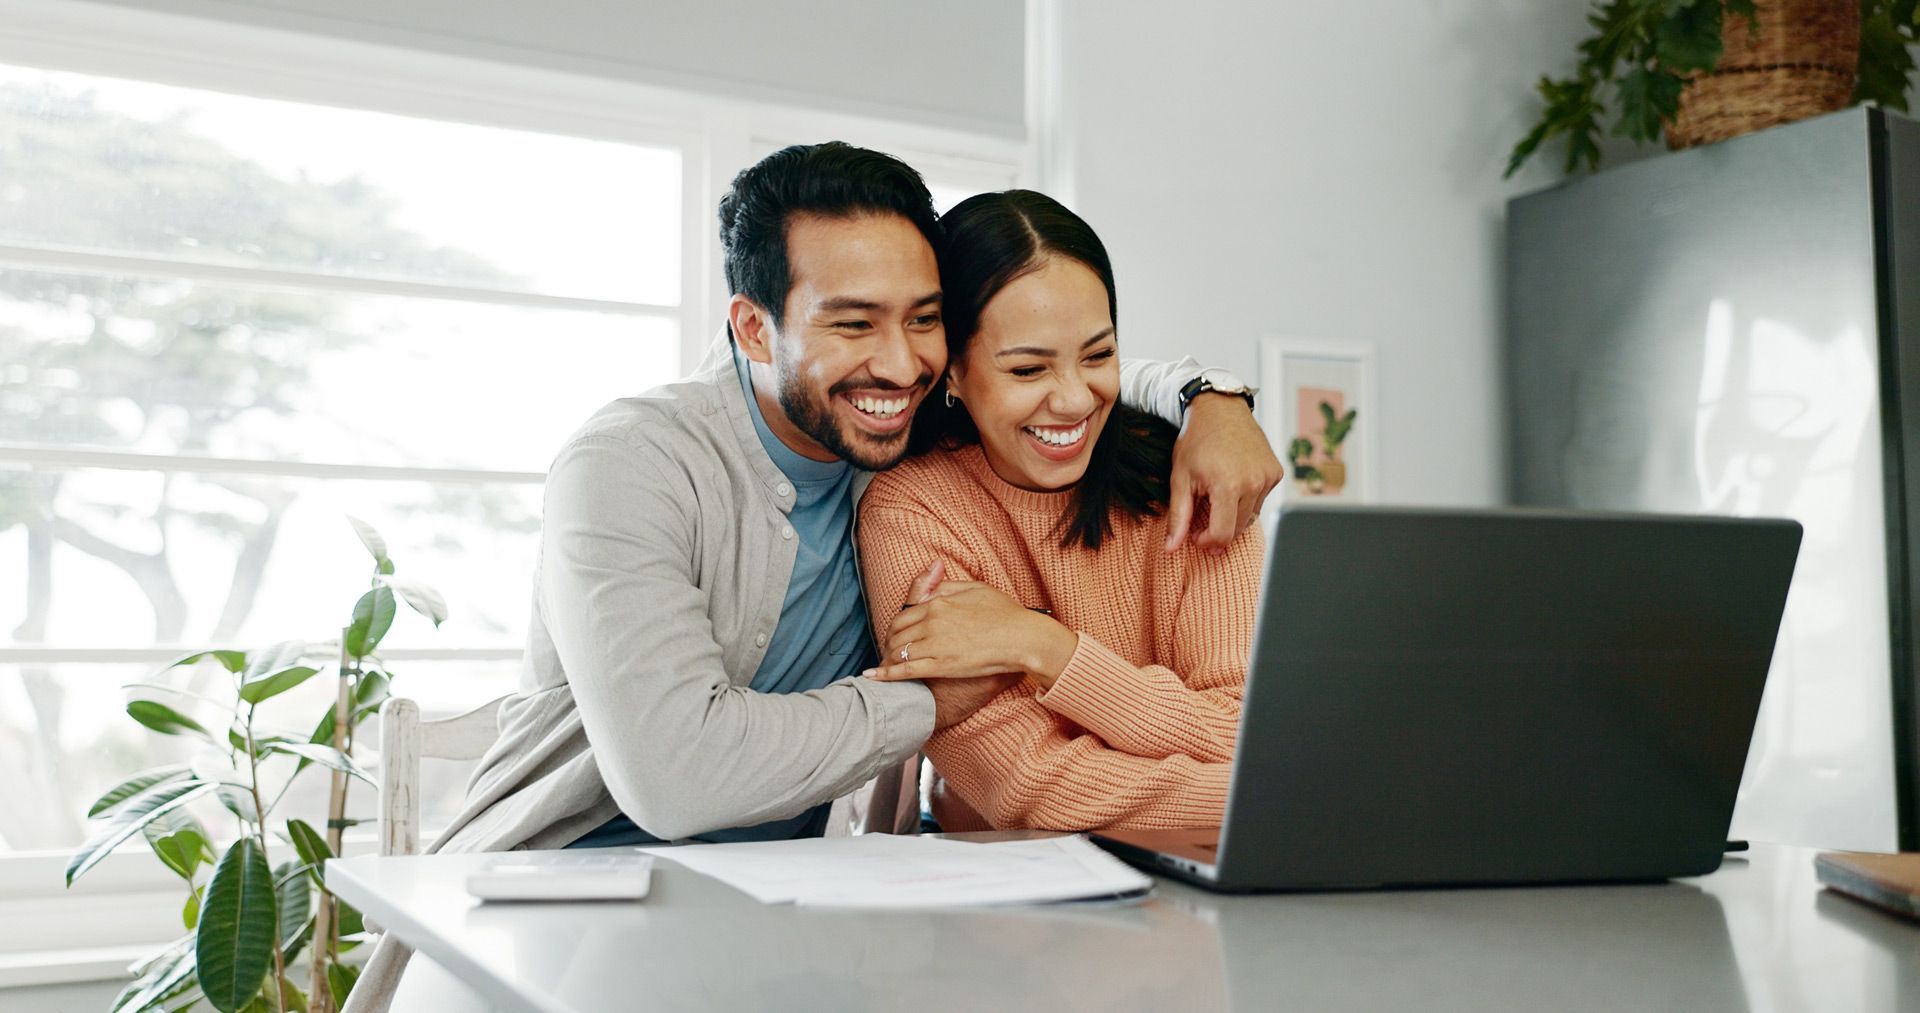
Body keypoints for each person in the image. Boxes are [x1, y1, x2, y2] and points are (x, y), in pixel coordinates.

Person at [345, 144, 1280, 1012]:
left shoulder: (897, 433)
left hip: (781, 914)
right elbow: (674, 779)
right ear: (753, 327)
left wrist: (1212, 398)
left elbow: (1043, 357)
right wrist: (935, 701)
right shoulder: (631, 462)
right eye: (852, 323)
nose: (898, 361)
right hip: (545, 904)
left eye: (922, 321)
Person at [858, 189, 1264, 832]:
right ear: (952, 373)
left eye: (1099, 355)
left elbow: (1252, 732)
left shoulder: (1192, 483)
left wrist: (1043, 646)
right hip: (1012, 899)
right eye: (1027, 370)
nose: (1075, 399)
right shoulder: (912, 511)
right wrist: (1271, 803)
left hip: (1224, 878)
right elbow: (1028, 787)